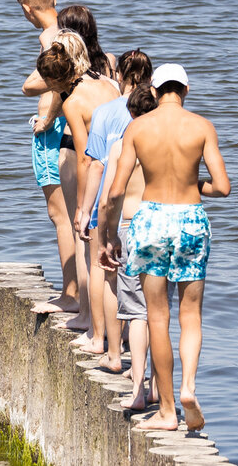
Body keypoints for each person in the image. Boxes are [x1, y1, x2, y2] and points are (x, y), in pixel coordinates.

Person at [98, 64, 230, 431]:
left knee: (157, 316)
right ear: (186, 90)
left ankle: (168, 410)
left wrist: (108, 238)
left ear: (154, 93)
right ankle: (188, 387)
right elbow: (222, 187)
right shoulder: (202, 126)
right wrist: (193, 183)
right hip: (191, 218)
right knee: (191, 315)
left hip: (150, 219)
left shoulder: (138, 127)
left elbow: (116, 190)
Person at [35, 29, 120, 349]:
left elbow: (86, 158)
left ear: (55, 82)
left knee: (91, 252)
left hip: (95, 175)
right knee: (112, 253)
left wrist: (84, 209)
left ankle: (93, 327)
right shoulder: (107, 85)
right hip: (122, 170)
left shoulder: (72, 102)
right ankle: (115, 330)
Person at [76, 49, 153, 370]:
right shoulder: (155, 112)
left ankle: (104, 343)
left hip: (109, 202)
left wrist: (84, 209)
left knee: (104, 272)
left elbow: (94, 165)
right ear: (150, 78)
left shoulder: (106, 111)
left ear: (118, 75)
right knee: (144, 288)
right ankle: (128, 341)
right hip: (146, 209)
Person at [96, 83, 161, 409]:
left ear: (131, 114)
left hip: (132, 225)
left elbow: (109, 198)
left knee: (136, 313)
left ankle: (138, 388)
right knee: (159, 313)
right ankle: (159, 389)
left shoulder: (124, 145)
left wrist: (107, 239)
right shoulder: (167, 143)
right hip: (165, 225)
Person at [17, 0, 80, 313]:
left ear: (27, 9)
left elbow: (59, 79)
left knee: (62, 215)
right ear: (52, 0)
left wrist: (48, 116)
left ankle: (71, 293)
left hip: (54, 132)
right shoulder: (71, 31)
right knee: (72, 213)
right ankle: (77, 291)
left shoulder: (50, 38)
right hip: (70, 129)